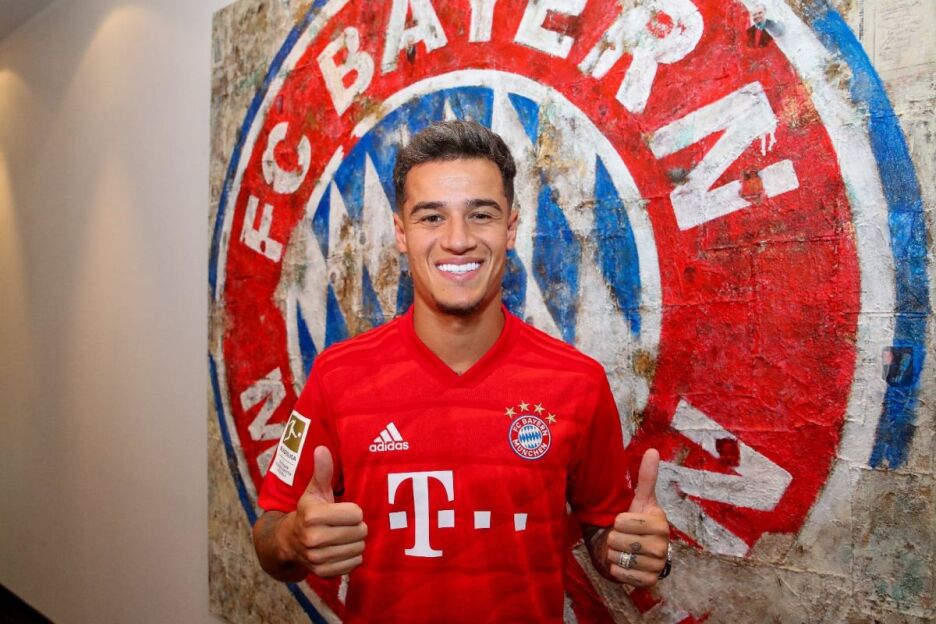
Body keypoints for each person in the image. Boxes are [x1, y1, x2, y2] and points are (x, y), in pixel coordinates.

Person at [252, 120, 671, 622]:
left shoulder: (578, 382)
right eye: (432, 217)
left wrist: (629, 553)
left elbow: (606, 534)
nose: (458, 240)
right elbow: (269, 536)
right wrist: (293, 540)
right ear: (401, 233)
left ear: (510, 228)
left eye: (481, 215)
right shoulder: (336, 375)